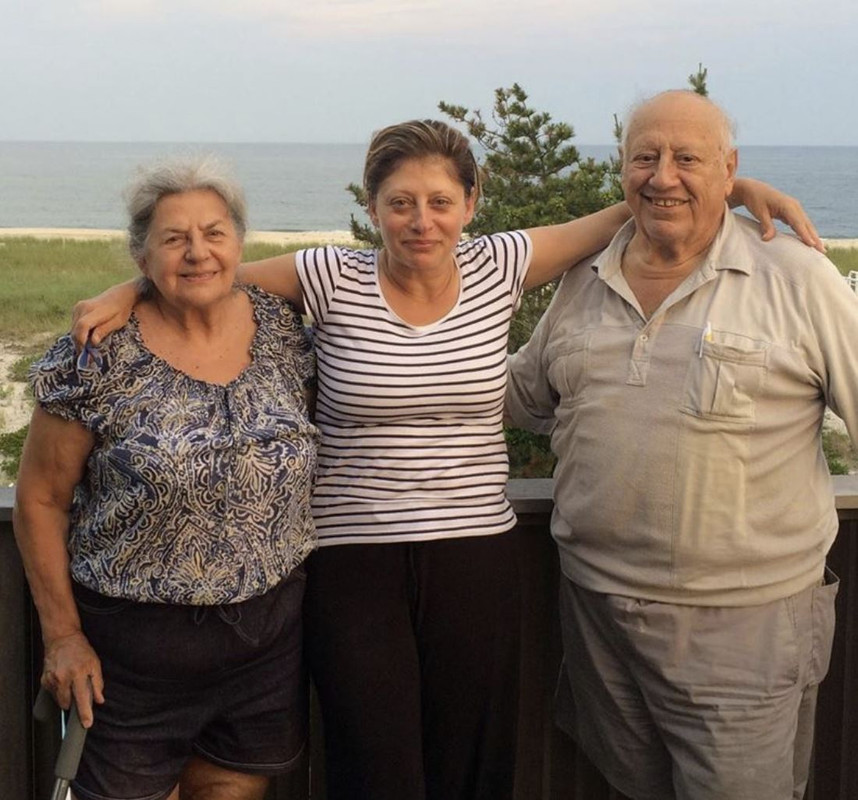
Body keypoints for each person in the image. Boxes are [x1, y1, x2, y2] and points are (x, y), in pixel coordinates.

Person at [71, 119, 819, 800]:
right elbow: (210, 274)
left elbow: (630, 208)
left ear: (470, 202)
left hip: (475, 556)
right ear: (373, 208)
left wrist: (734, 186)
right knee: (375, 766)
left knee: (475, 761)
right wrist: (130, 286)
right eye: (400, 203)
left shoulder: (502, 266)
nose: (420, 221)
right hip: (353, 562)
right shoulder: (332, 277)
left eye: (438, 201)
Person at [505, 90, 858, 800]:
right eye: (645, 157)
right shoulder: (584, 277)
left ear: (730, 171)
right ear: (623, 171)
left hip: (745, 632)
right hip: (598, 614)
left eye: (687, 158)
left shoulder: (798, 278)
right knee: (631, 787)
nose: (662, 176)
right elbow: (522, 398)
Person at [13, 157, 319, 800]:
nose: (197, 252)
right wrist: (63, 637)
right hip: (129, 660)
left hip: (265, 647)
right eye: (174, 238)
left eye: (213, 233)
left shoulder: (286, 332)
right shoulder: (94, 352)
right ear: (141, 255)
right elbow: (40, 499)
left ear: (239, 242)